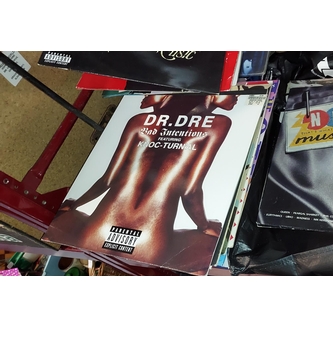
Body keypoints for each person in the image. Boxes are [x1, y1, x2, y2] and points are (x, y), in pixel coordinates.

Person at [48, 93, 238, 269]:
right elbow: (189, 191)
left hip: (97, 233)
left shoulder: (138, 120)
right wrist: (204, 226)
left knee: (66, 218)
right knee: (213, 242)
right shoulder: (218, 124)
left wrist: (74, 205)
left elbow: (107, 180)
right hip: (149, 243)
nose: (237, 95)